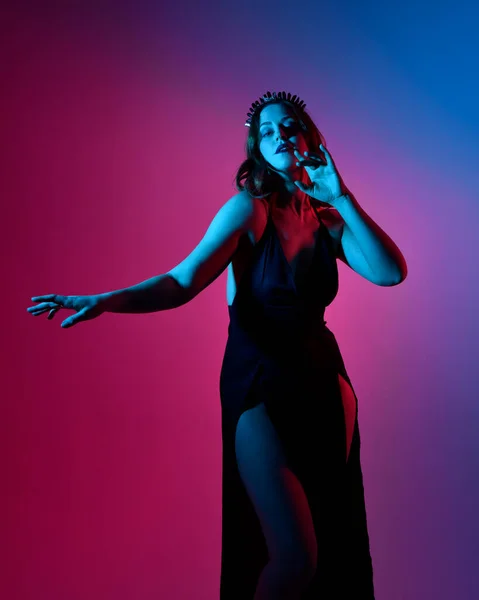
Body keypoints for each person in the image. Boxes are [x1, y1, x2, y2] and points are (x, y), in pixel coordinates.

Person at [27, 90, 407, 599]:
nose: (280, 137)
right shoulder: (248, 211)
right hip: (259, 381)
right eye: (267, 133)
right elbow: (183, 282)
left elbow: (389, 273)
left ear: (312, 138)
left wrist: (340, 195)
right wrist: (107, 299)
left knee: (331, 548)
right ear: (257, 150)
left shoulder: (330, 221)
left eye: (290, 126)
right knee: (294, 559)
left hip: (324, 382)